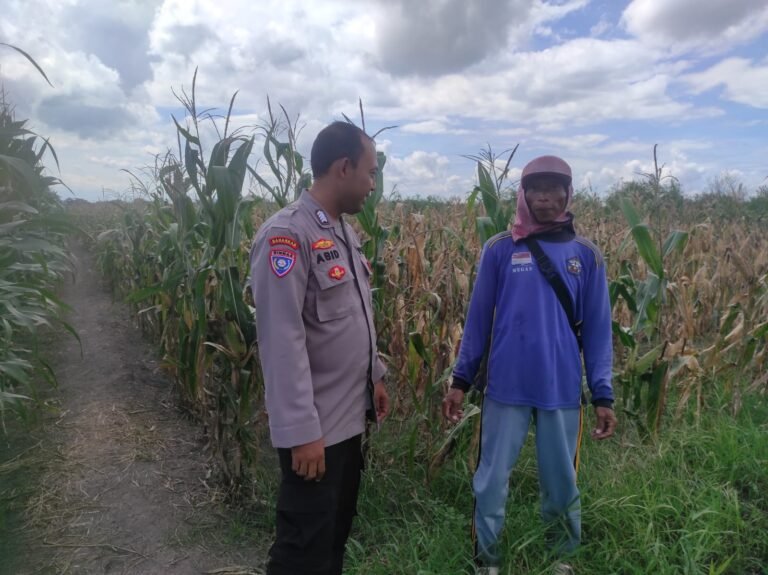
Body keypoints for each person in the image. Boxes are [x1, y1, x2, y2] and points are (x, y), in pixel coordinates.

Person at [442, 155, 617, 575]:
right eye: (535, 188)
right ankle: (487, 559)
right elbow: (478, 318)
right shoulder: (502, 249)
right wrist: (460, 379)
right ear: (523, 194)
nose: (544, 197)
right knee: (490, 479)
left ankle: (561, 558)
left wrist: (603, 393)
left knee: (562, 481)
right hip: (505, 386)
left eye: (554, 188)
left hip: (561, 387)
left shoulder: (586, 256)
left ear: (568, 194)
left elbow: (597, 331)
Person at [249, 121, 389, 575]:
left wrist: (376, 375)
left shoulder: (344, 233)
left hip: (349, 423)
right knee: (301, 552)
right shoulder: (286, 236)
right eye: (370, 173)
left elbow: (351, 316)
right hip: (317, 432)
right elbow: (281, 339)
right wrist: (301, 432)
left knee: (333, 540)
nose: (373, 184)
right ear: (344, 168)